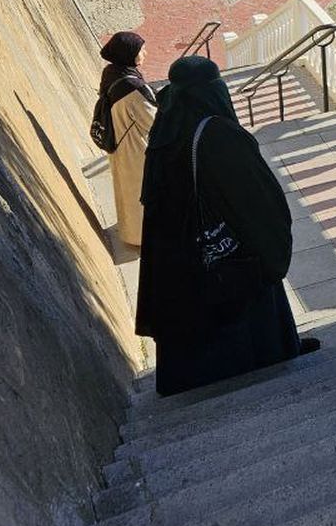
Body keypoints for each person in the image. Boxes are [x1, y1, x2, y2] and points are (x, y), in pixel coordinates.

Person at [135, 56, 317, 396]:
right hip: (227, 248)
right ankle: (270, 352)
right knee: (248, 298)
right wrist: (273, 243)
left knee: (195, 314)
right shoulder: (217, 133)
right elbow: (256, 201)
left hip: (179, 254)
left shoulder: (166, 127)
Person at [98, 30, 158, 248]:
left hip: (118, 141)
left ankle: (130, 233)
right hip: (135, 147)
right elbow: (151, 120)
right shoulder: (132, 86)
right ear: (129, 54)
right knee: (139, 194)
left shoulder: (112, 72)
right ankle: (142, 238)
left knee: (126, 192)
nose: (145, 53)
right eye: (141, 49)